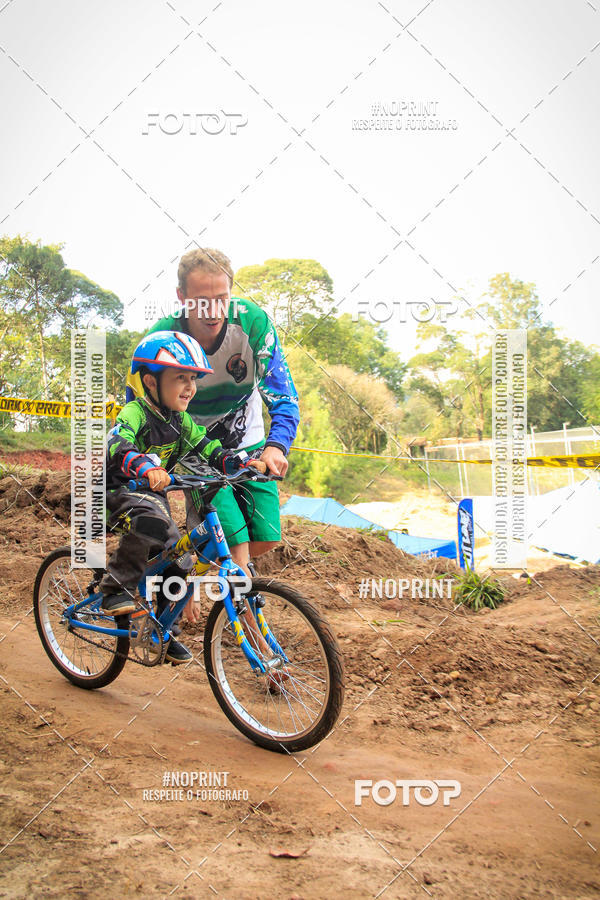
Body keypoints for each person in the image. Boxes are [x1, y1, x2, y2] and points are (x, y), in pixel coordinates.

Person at [143, 248, 299, 598]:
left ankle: (191, 573)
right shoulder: (162, 339)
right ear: (182, 298)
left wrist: (276, 446)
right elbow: (142, 412)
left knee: (267, 537)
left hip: (248, 440)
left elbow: (284, 396)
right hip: (193, 445)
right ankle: (255, 640)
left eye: (222, 298)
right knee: (237, 546)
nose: (213, 312)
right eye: (201, 301)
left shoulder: (254, 324)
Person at [100, 330, 260, 664]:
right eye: (180, 378)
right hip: (116, 492)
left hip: (149, 494)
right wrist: (144, 467)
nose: (190, 387)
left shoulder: (181, 420)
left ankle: (160, 629)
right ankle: (115, 587)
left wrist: (238, 463)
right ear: (151, 382)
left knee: (180, 557)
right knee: (154, 526)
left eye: (193, 379)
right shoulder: (136, 412)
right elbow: (119, 443)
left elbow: (207, 446)